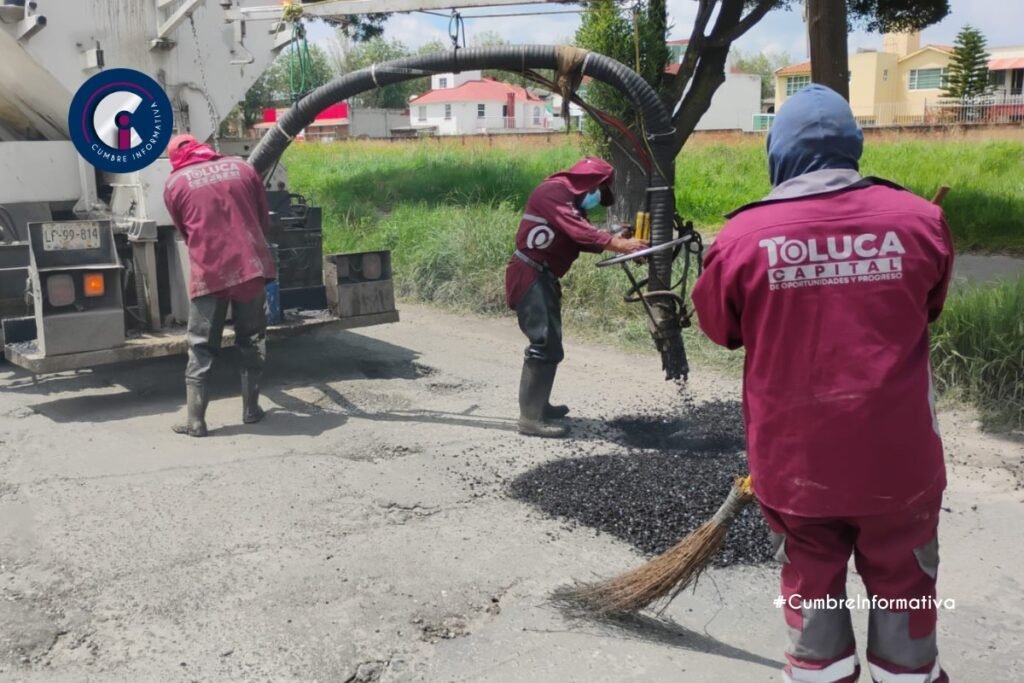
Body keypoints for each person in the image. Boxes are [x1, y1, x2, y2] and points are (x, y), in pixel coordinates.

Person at [691, 84, 953, 683]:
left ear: (778, 152)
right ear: (853, 145)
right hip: (900, 469)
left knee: (813, 614)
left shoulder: (740, 239)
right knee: (906, 599)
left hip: (795, 469)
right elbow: (926, 307)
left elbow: (719, 329)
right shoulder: (922, 221)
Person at [505, 157, 647, 438]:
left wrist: (617, 238)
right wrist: (617, 243)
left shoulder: (571, 205)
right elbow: (578, 229)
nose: (597, 198)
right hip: (530, 275)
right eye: (598, 191)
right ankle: (530, 419)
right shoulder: (553, 192)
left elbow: (580, 236)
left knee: (551, 344)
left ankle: (540, 406)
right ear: (591, 182)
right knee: (543, 344)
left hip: (542, 276)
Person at [163, 134, 277, 437]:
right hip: (250, 267)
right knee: (251, 340)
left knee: (201, 346)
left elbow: (185, 232)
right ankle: (251, 410)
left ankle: (195, 421)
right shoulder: (242, 168)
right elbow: (261, 219)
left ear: (175, 158)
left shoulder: (175, 184)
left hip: (210, 273)